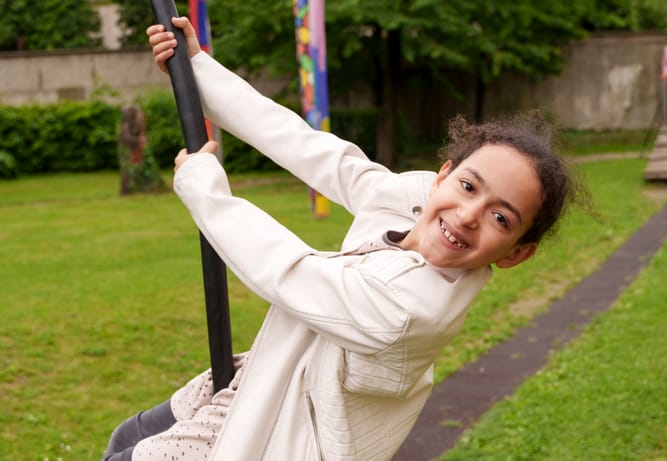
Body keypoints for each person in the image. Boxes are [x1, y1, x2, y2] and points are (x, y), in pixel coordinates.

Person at [103, 16, 583, 461]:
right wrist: (198, 69)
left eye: (501, 218)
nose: (469, 214)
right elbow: (308, 147)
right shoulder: (411, 202)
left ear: (517, 253)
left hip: (283, 432)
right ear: (442, 175)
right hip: (268, 374)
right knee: (126, 437)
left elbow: (291, 272)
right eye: (468, 185)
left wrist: (204, 188)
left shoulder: (413, 309)